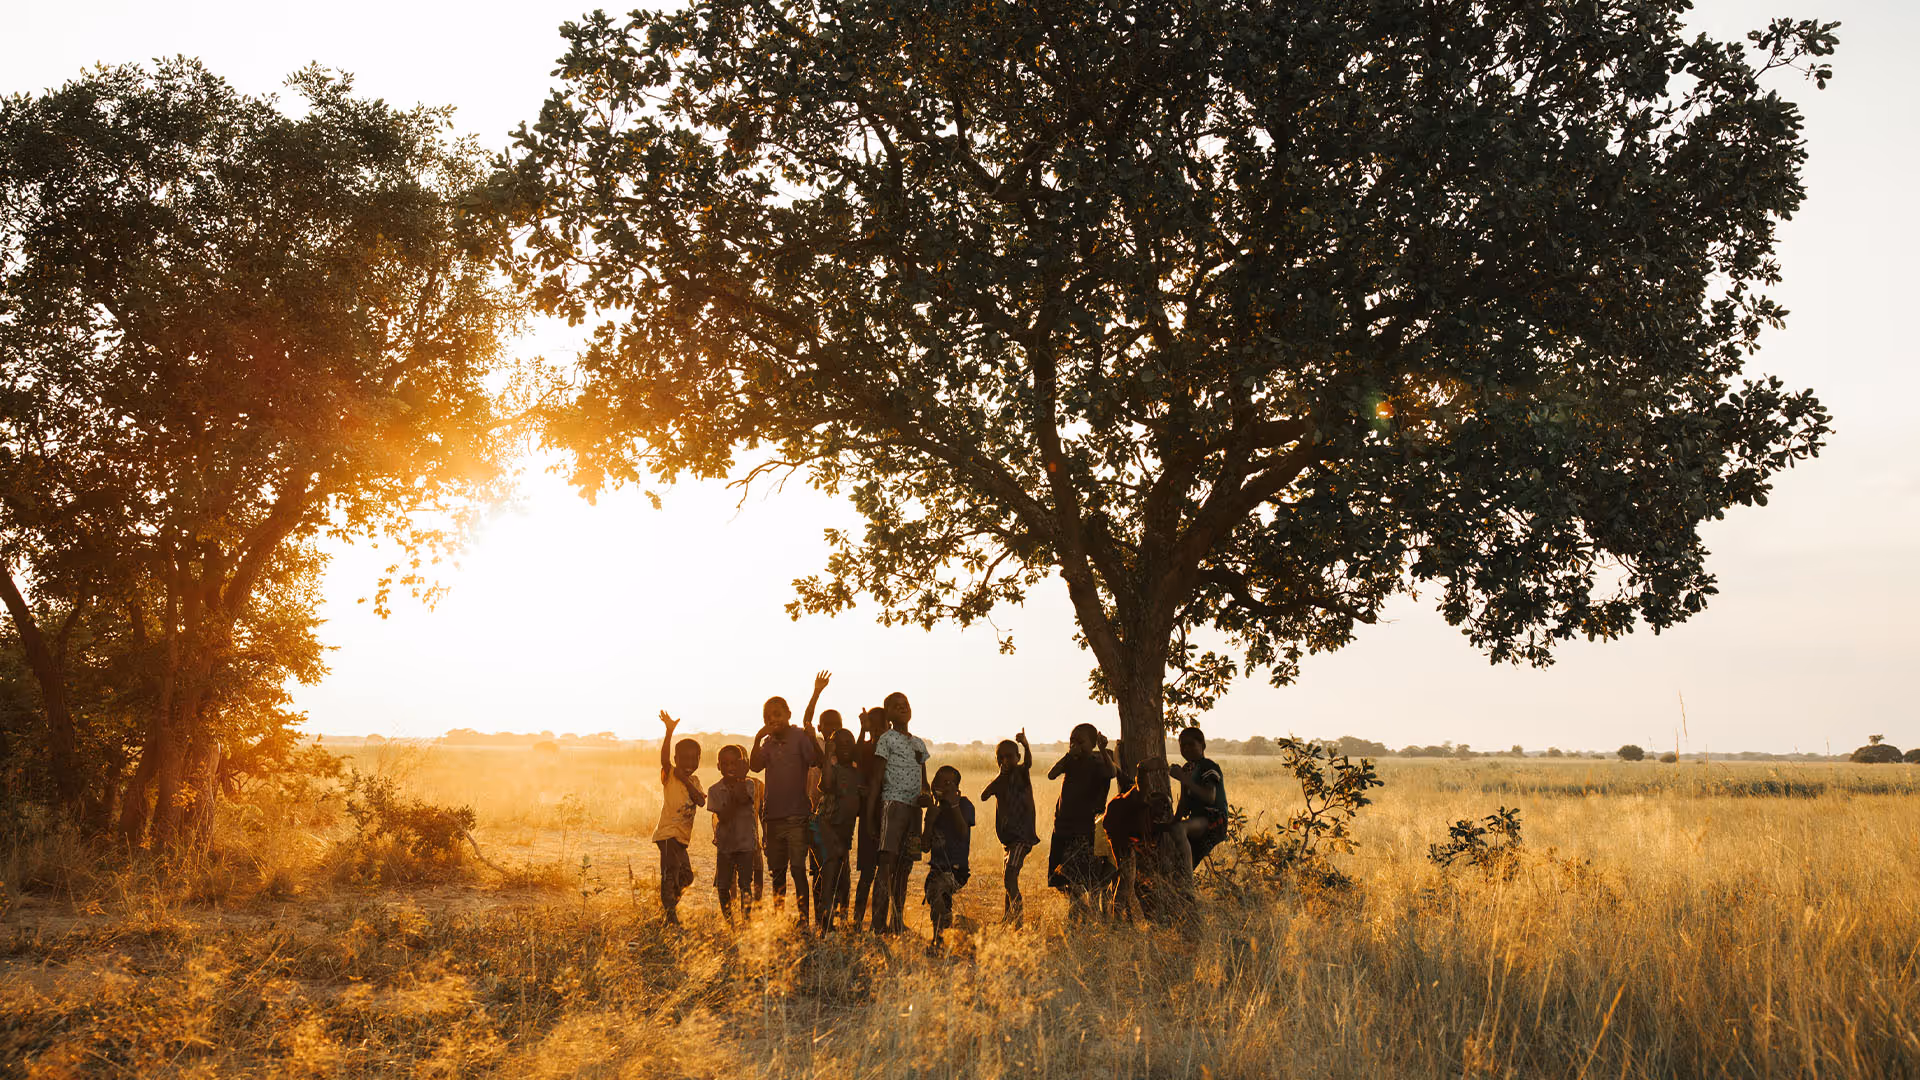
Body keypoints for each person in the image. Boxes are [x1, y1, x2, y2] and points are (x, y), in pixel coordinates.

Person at [750, 677, 824, 925]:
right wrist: (757, 739)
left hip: (796, 816)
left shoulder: (799, 737)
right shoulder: (767, 744)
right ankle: (779, 919)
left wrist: (811, 736)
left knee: (798, 869)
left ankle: (803, 920)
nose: (773, 719)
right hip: (772, 817)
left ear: (789, 714)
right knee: (777, 872)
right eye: (768, 717)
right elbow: (754, 766)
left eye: (778, 714)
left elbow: (814, 760)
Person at [868, 691, 929, 934]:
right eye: (897, 706)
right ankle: (877, 923)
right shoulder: (887, 739)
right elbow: (876, 779)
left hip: (914, 810)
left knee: (905, 866)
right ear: (888, 714)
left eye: (906, 704)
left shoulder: (919, 744)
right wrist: (871, 816)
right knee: (886, 863)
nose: (903, 708)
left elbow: (924, 782)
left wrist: (926, 795)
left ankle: (896, 920)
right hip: (893, 805)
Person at [1046, 722, 1116, 920]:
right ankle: (1083, 911)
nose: (1074, 745)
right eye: (1072, 741)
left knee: (1083, 877)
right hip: (1062, 827)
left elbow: (1112, 773)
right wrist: (1068, 756)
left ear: (1093, 744)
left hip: (1084, 830)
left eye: (1080, 741)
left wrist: (1103, 750)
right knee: (1059, 877)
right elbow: (1051, 774)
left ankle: (1085, 915)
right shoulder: (1070, 761)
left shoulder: (1098, 762)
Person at [650, 711, 706, 925]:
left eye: (694, 758)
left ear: (699, 760)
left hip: (681, 839)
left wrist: (686, 780)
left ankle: (668, 908)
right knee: (670, 873)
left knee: (686, 877)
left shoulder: (695, 781)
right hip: (667, 835)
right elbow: (664, 759)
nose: (689, 762)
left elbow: (700, 801)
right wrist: (669, 732)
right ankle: (670, 916)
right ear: (676, 760)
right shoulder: (670, 774)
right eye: (684, 758)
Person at [979, 730, 1039, 924]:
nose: (1005, 761)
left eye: (1009, 757)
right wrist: (999, 776)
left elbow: (1028, 763)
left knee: (1010, 877)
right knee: (1009, 877)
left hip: (1022, 837)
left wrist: (1026, 745)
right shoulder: (1000, 780)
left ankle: (1018, 922)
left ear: (1018, 758)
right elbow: (984, 796)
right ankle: (1008, 918)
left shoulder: (1021, 773)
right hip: (1009, 840)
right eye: (1000, 757)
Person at [813, 727, 864, 931]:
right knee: (831, 870)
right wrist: (827, 755)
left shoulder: (856, 773)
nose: (845, 747)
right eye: (839, 743)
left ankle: (841, 920)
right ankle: (826, 923)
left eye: (849, 743)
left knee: (843, 874)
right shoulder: (832, 769)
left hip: (844, 831)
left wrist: (862, 730)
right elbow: (825, 785)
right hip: (826, 826)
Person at [921, 764, 975, 953]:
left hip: (956, 870)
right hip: (937, 869)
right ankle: (945, 937)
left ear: (956, 788)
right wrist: (929, 821)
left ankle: (951, 933)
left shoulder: (964, 805)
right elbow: (925, 847)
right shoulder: (934, 810)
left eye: (947, 784)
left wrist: (953, 805)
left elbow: (963, 833)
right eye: (938, 781)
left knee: (936, 891)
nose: (941, 787)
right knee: (937, 899)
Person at [1167, 726, 1228, 881]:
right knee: (1179, 869)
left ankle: (1189, 884)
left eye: (1191, 744)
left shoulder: (1208, 766)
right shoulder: (1188, 769)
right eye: (1183, 746)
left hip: (1214, 819)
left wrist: (1183, 778)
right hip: (1197, 820)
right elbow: (1184, 801)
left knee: (1179, 829)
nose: (1187, 749)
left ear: (1203, 745)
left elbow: (1210, 797)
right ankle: (1183, 886)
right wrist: (1172, 822)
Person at [709, 743, 760, 925]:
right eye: (725, 764)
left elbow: (743, 798)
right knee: (723, 886)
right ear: (718, 766)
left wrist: (740, 780)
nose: (730, 767)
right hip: (725, 846)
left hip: (746, 845)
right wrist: (738, 781)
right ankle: (730, 923)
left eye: (734, 763)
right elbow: (724, 816)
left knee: (745, 885)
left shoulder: (749, 784)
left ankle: (746, 922)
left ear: (742, 764)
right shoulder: (714, 790)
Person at [850, 705, 887, 929]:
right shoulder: (866, 746)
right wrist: (862, 731)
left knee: (885, 871)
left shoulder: (891, 747)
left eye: (878, 725)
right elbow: (854, 756)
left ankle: (879, 921)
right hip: (867, 813)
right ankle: (857, 919)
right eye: (871, 726)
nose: (876, 730)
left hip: (887, 810)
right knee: (867, 871)